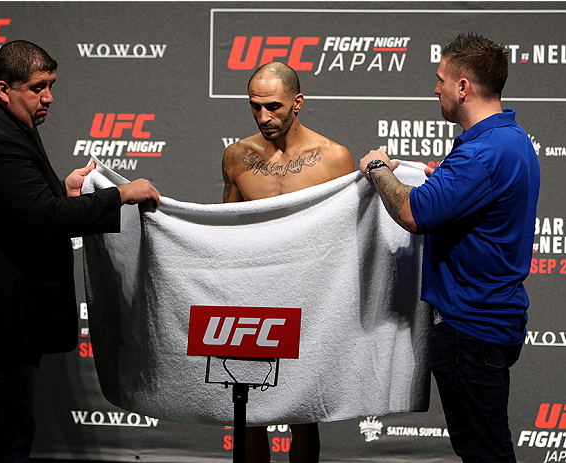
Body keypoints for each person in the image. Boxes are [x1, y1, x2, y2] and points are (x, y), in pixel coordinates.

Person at [0, 40, 160, 463]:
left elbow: (16, 208)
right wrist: (120, 195)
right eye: (38, 87)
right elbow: (43, 219)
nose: (48, 96)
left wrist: (64, 192)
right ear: (3, 89)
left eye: (51, 85)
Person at [359, 33, 540, 462]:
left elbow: (412, 213)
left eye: (440, 79)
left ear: (463, 87)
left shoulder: (481, 154)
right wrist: (441, 181)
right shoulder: (512, 141)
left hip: (471, 327)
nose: (434, 88)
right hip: (491, 319)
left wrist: (377, 168)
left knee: (485, 454)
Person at [222, 61, 354, 463]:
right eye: (255, 107)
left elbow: (347, 239)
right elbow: (228, 230)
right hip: (250, 293)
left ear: (297, 103)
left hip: (309, 298)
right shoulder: (236, 157)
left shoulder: (333, 159)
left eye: (274, 107)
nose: (264, 117)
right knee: (248, 410)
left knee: (303, 411)